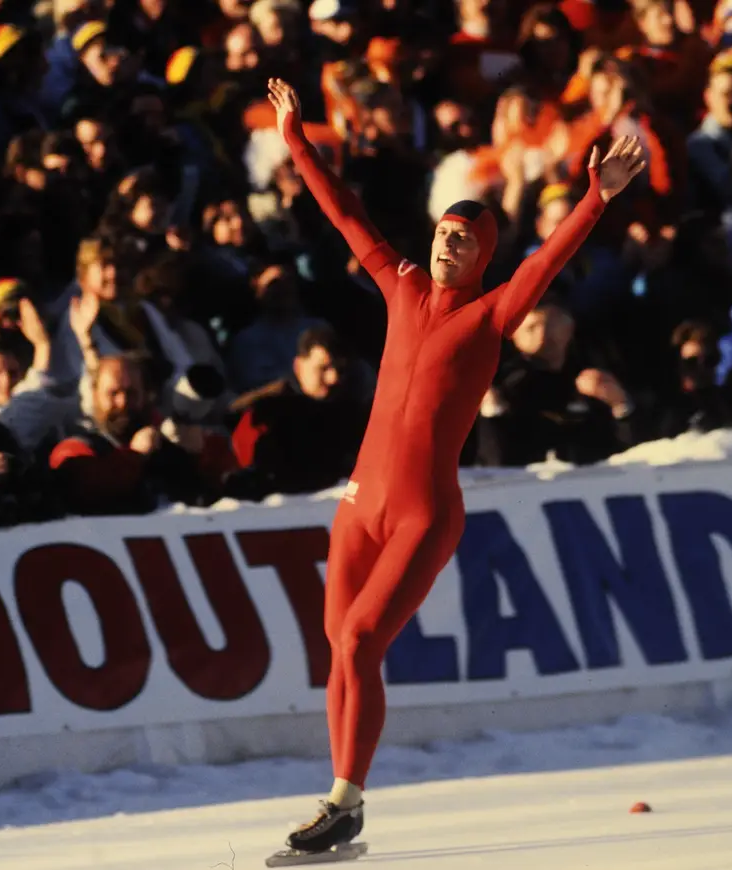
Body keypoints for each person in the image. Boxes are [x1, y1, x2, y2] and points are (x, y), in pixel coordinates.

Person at [266, 76, 646, 855]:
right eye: (443, 233)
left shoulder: (491, 315)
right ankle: (341, 795)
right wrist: (297, 139)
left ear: (482, 258)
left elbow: (547, 263)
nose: (448, 243)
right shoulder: (398, 283)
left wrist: (596, 200)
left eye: (464, 240)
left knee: (364, 639)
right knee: (339, 648)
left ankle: (345, 798)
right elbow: (344, 213)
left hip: (422, 514)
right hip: (360, 502)